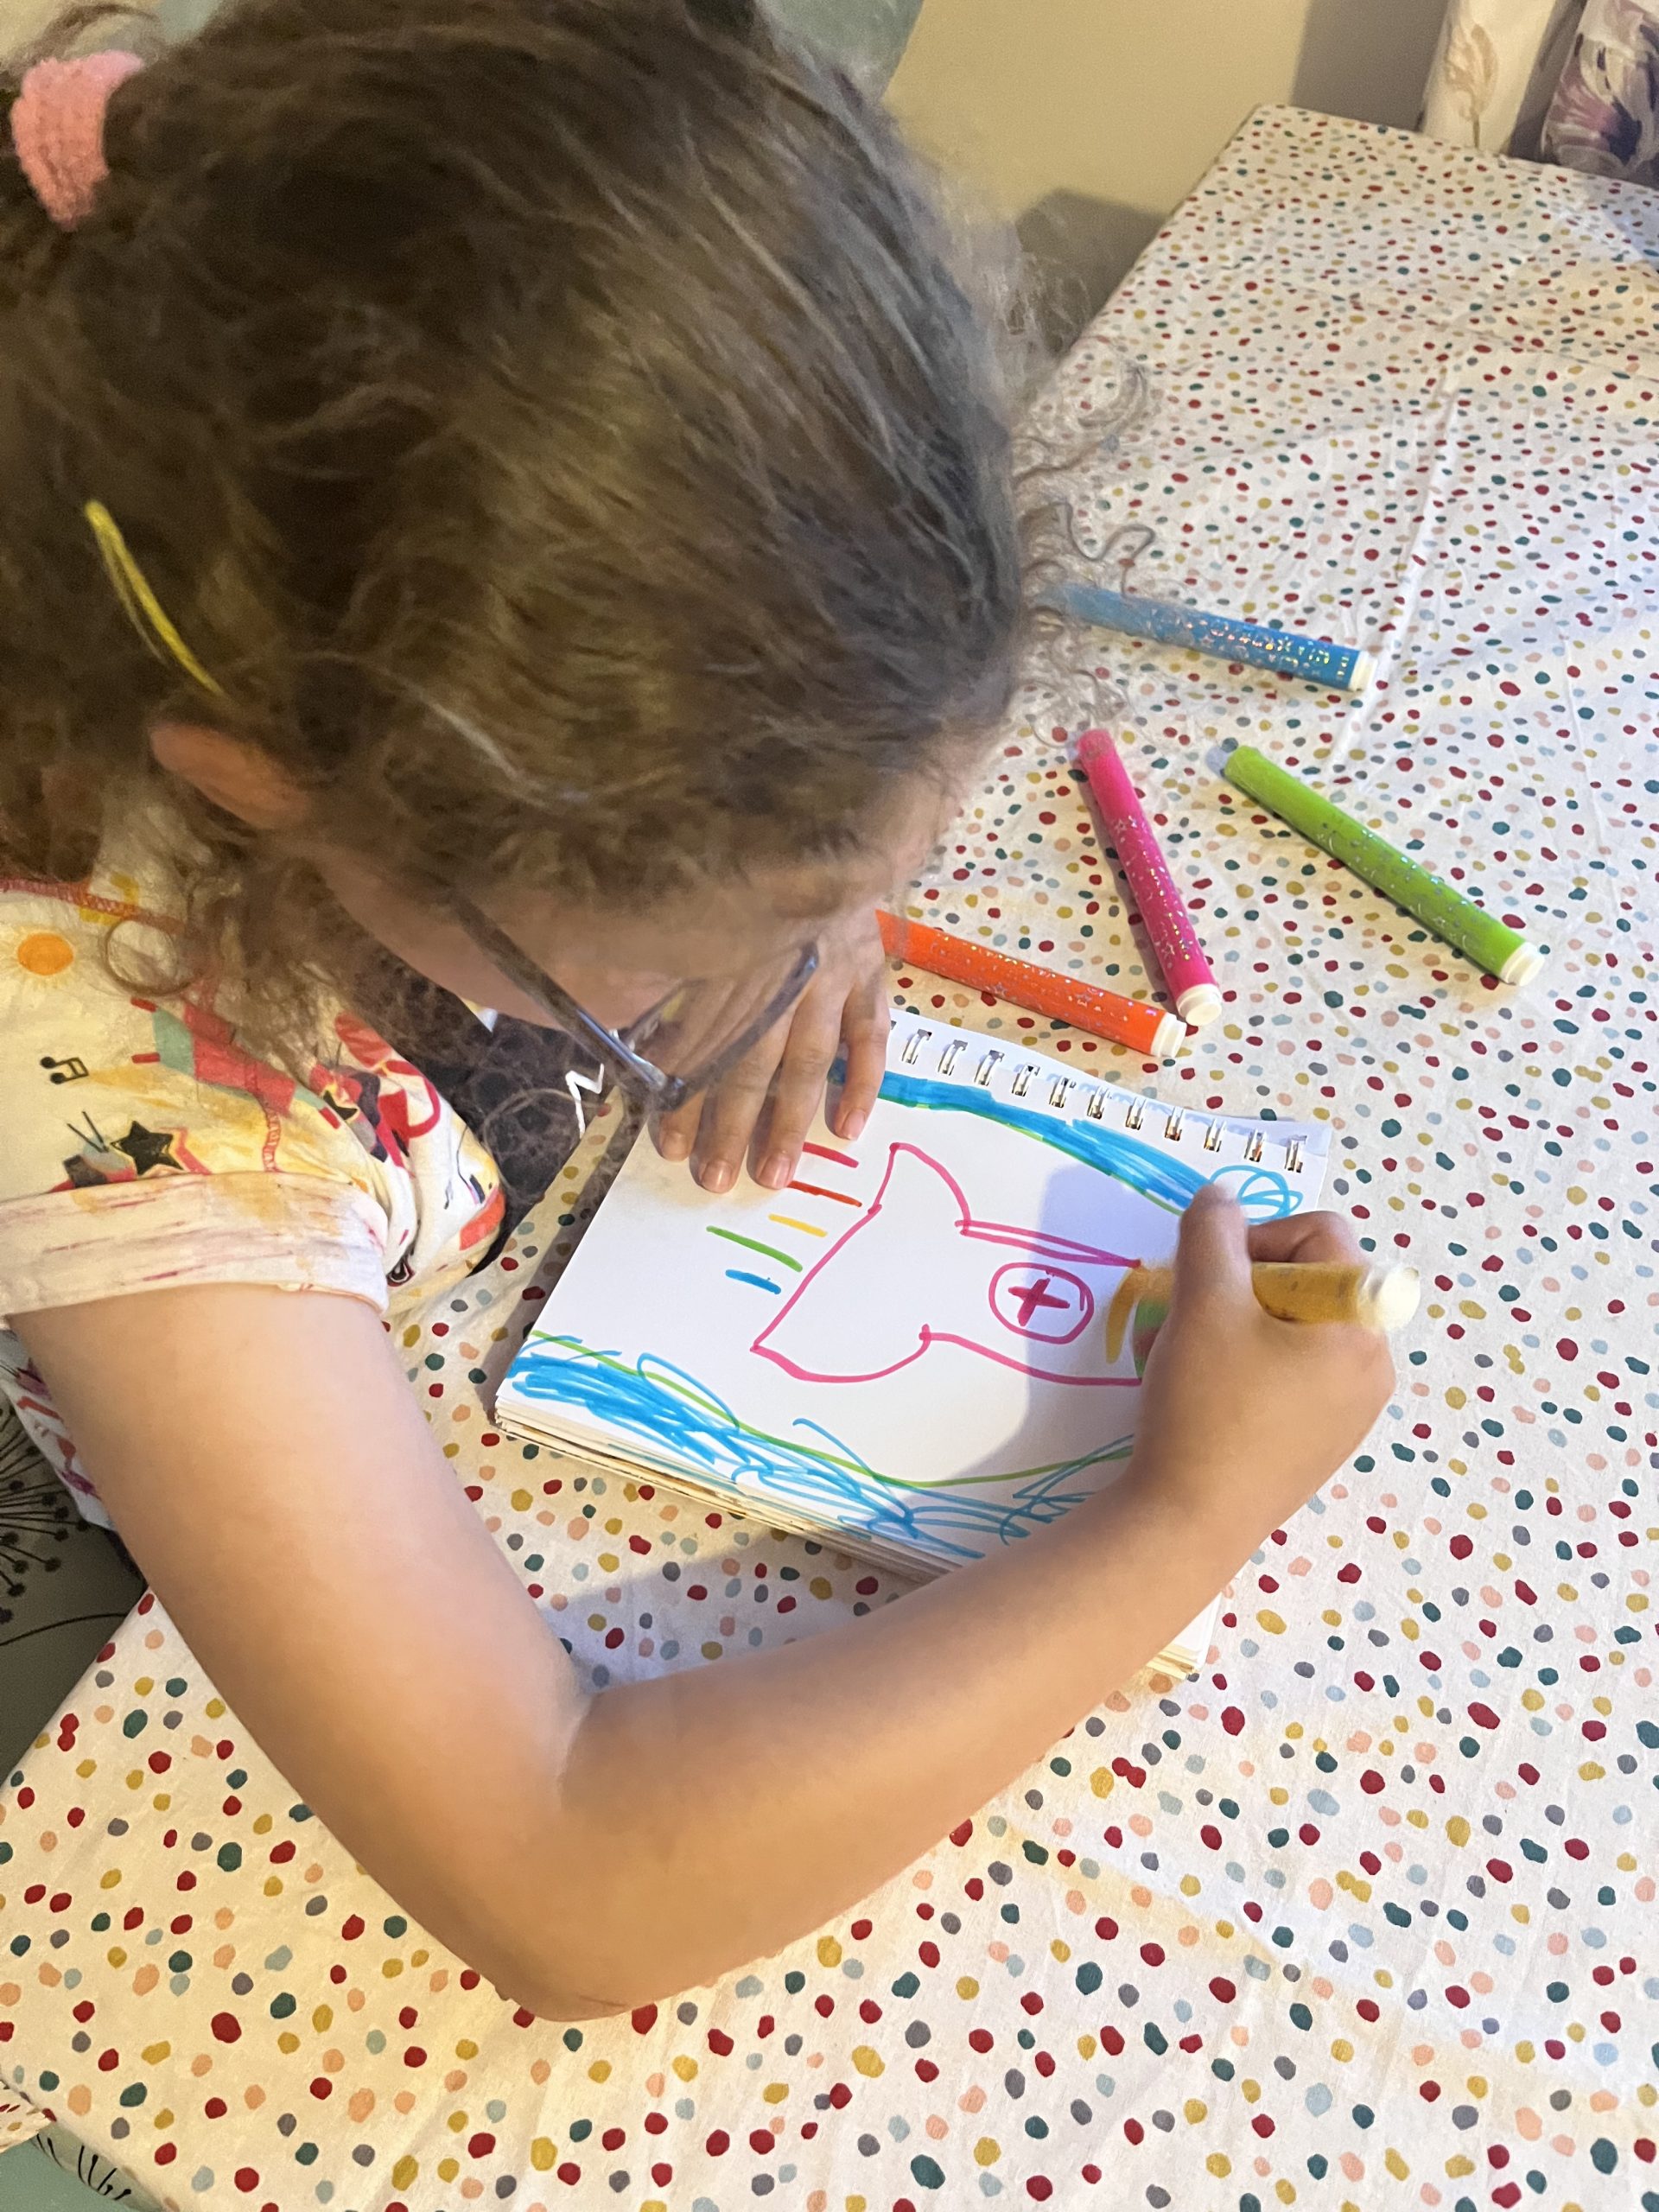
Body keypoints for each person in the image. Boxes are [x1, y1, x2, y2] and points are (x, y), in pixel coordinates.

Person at [0, 0, 1394, 2018]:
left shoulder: (407, 595)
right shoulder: (118, 1107)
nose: (801, 947)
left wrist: (805, 914)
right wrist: (1184, 1515)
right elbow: (568, 1868)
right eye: (678, 939)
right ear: (278, 791)